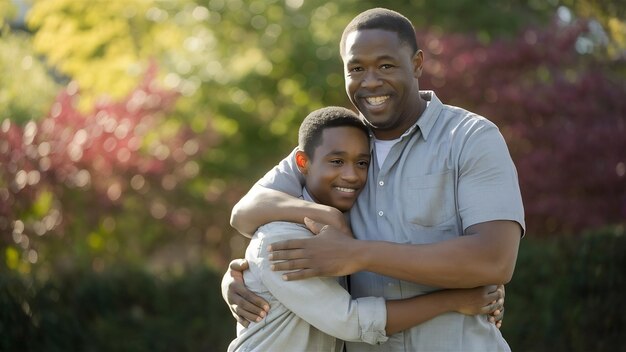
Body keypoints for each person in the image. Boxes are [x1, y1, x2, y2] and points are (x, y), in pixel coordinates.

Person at [225, 7, 524, 351]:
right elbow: (246, 212)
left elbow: (494, 260)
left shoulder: (470, 138)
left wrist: (358, 254)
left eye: (386, 65)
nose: (370, 81)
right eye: (356, 68)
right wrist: (244, 277)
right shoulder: (341, 144)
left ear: (416, 64)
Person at [228, 106, 504, 352]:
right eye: (337, 162)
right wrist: (454, 300)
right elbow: (350, 321)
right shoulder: (283, 237)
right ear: (303, 163)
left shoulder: (350, 213)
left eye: (362, 163)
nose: (351, 175)